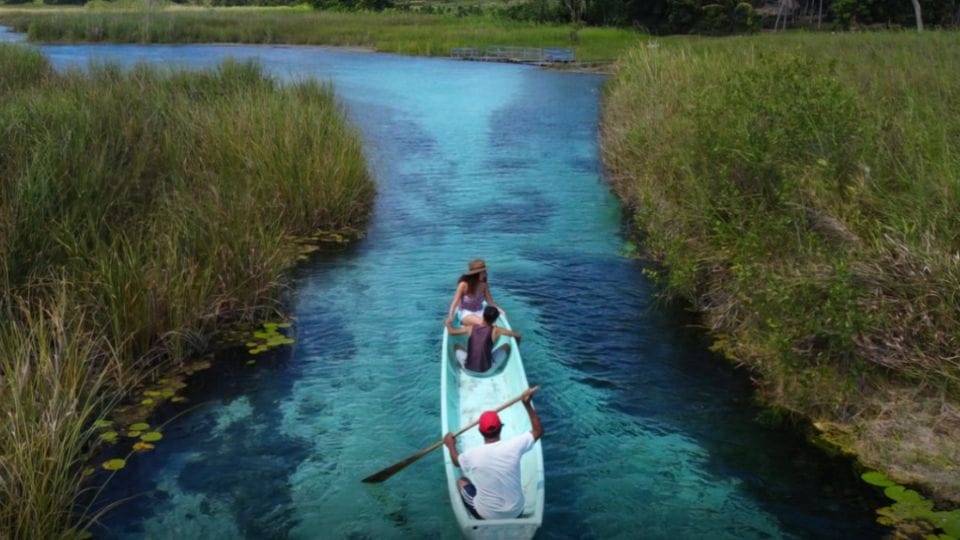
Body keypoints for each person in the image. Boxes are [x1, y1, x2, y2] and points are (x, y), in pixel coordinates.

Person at [443, 387, 543, 520]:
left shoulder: (472, 455)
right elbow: (538, 431)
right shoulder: (514, 446)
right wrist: (527, 404)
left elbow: (456, 461)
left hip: (486, 515)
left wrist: (450, 445)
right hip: (516, 511)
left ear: (480, 431)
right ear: (501, 428)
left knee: (462, 481)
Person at [446, 306, 520, 373]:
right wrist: (517, 345)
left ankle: (458, 367)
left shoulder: (471, 328)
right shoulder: (496, 330)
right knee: (507, 346)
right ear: (495, 320)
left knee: (457, 346)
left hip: (468, 370)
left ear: (483, 315)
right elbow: (517, 336)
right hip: (487, 371)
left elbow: (452, 332)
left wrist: (448, 324)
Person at [445, 259, 502, 328]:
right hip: (466, 312)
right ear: (477, 274)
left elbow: (490, 302)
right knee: (485, 324)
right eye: (484, 271)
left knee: (494, 325)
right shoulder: (463, 285)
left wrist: (500, 311)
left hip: (481, 311)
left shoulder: (484, 285)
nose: (486, 273)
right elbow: (455, 302)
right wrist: (450, 316)